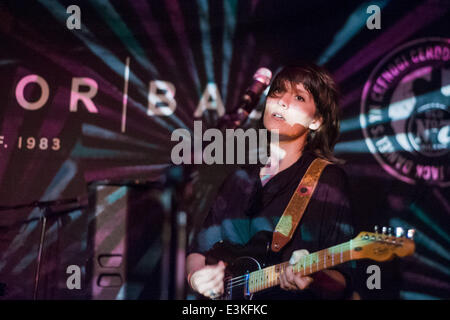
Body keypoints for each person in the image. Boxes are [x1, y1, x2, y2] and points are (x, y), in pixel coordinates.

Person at [185, 63, 355, 300]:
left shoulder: (326, 180)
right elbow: (198, 251)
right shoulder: (239, 178)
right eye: (277, 91)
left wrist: (313, 277)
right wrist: (197, 277)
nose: (282, 101)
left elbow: (342, 279)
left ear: (316, 121)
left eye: (298, 97)